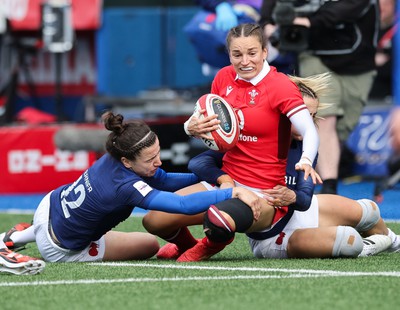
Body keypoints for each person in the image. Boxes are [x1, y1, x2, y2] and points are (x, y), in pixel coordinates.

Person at [142, 23, 321, 262]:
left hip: (264, 191)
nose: (245, 61)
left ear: (265, 52)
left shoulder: (280, 86)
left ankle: (211, 244)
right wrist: (191, 127)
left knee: (219, 219)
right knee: (153, 220)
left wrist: (307, 159)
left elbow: (309, 130)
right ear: (229, 55)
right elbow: (212, 133)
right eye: (237, 54)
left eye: (252, 53)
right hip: (226, 182)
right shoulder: (223, 77)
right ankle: (186, 244)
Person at [183, 75, 400, 260]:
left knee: (370, 210)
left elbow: (305, 198)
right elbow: (198, 162)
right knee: (350, 241)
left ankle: (391, 240)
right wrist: (225, 179)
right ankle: (375, 243)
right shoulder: (253, 140)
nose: (308, 122)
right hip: (273, 234)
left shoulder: (307, 146)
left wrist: (292, 197)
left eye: (312, 116)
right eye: (303, 115)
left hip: (297, 210)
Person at [0, 111, 264, 263]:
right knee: (149, 244)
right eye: (151, 159)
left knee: (82, 221)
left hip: (49, 207)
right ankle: (23, 238)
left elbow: (161, 178)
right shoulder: (125, 186)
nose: (158, 162)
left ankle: (18, 236)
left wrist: (213, 177)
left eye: (158, 153)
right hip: (60, 248)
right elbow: (181, 205)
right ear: (127, 160)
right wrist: (233, 190)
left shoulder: (115, 155)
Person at [260, 0, 380, 194]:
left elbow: (342, 11)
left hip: (358, 61)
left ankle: (313, 170)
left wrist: (304, 20)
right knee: (325, 119)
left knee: (342, 129)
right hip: (314, 54)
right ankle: (329, 187)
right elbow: (270, 9)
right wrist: (267, 24)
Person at [369, 0, 397, 102]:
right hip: (368, 95)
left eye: (386, 5)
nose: (382, 8)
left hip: (390, 97)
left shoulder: (396, 33)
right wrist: (372, 60)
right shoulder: (369, 29)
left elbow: (394, 66)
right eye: (378, 5)